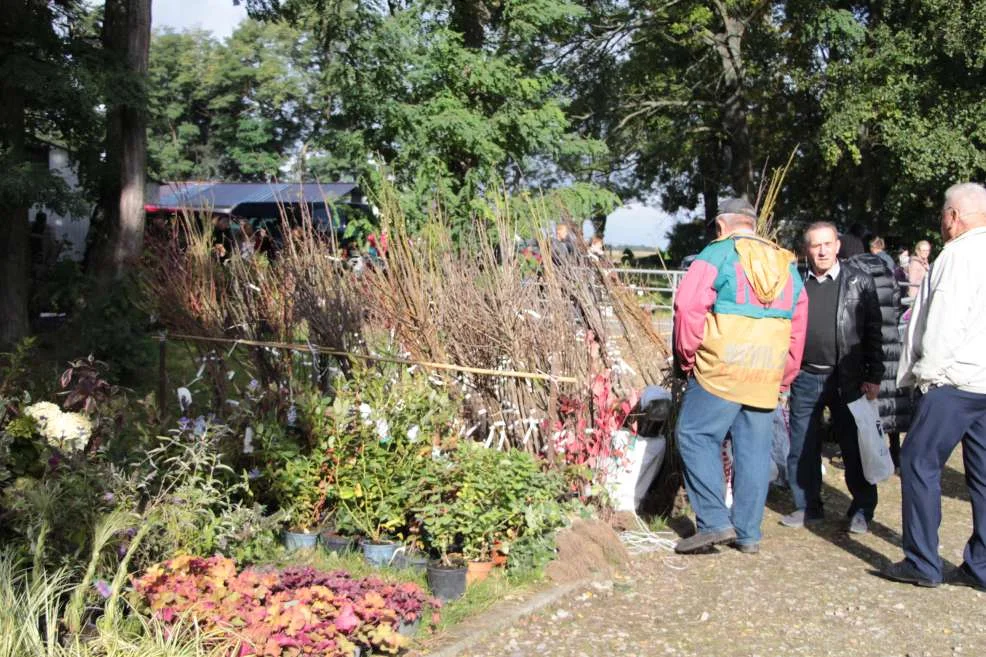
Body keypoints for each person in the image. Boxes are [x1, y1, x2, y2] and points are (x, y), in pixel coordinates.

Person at [672, 198, 808, 555]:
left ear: (721, 225)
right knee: (754, 450)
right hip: (766, 369)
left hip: (722, 367)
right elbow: (799, 324)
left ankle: (715, 522)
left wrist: (686, 357)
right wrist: (785, 373)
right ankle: (748, 533)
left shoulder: (716, 254)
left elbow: (687, 308)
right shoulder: (786, 264)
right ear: (752, 223)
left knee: (695, 433)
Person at [882, 182, 986, 589]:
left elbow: (945, 318)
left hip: (953, 379)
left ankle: (922, 561)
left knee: (918, 462)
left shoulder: (958, 255)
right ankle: (981, 566)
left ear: (953, 217)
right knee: (982, 476)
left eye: (943, 214)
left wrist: (927, 375)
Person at [781, 222, 884, 534]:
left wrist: (873, 374)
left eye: (827, 244)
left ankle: (863, 509)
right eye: (815, 245)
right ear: (806, 249)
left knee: (854, 447)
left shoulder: (860, 282)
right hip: (805, 376)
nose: (822, 251)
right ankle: (807, 506)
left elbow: (874, 332)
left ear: (838, 246)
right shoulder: (795, 282)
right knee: (802, 446)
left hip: (847, 378)